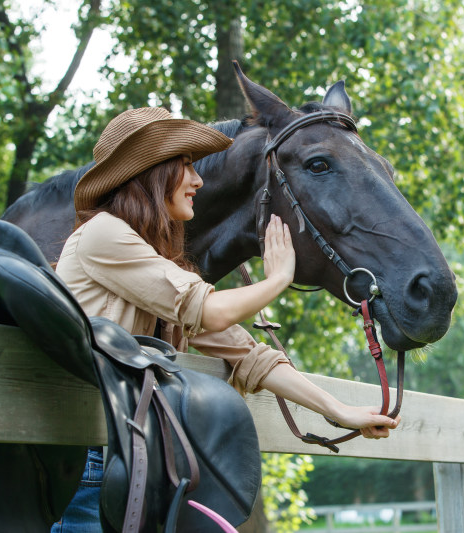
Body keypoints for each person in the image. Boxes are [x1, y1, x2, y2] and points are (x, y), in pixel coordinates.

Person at [51, 107, 400, 532]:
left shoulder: (152, 263)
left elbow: (249, 355)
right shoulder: (102, 234)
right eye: (185, 167)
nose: (198, 181)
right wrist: (279, 279)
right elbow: (209, 309)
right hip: (93, 454)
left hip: (132, 454)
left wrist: (341, 412)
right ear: (151, 171)